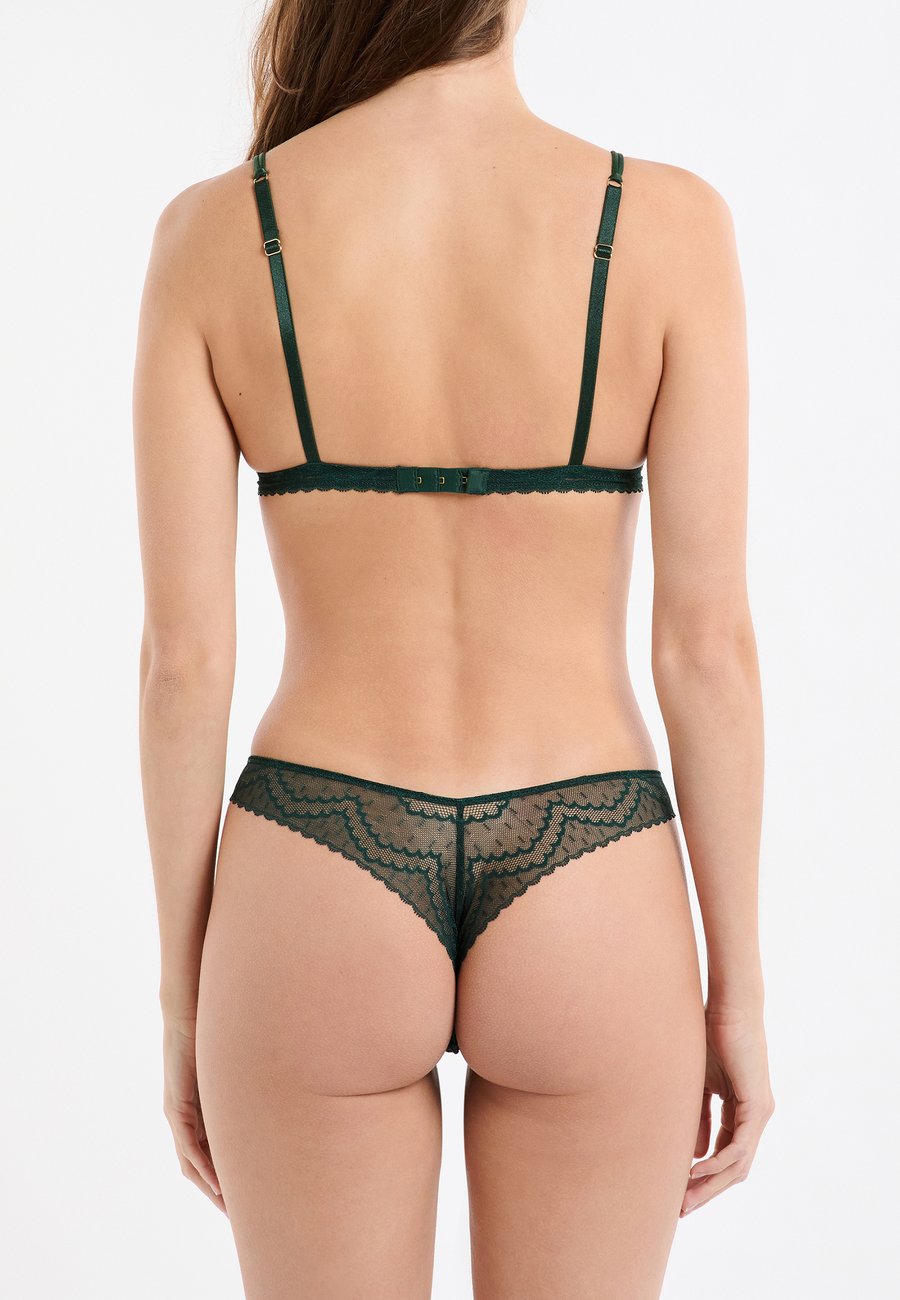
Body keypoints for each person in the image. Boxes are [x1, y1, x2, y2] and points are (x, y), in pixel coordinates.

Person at [134, 0, 774, 1294]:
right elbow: (706, 648)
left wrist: (187, 997)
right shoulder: (665, 223)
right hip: (590, 859)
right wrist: (738, 994)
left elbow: (185, 661)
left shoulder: (217, 232)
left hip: (316, 860)